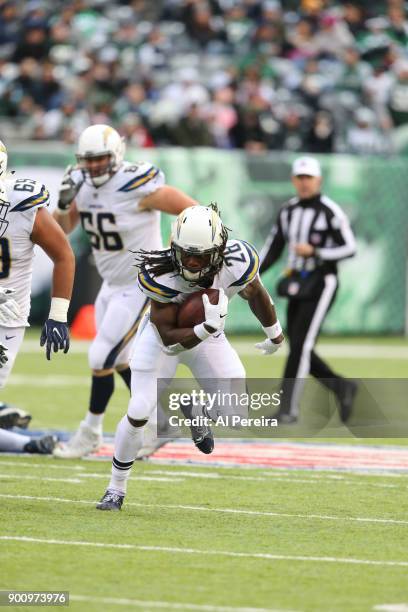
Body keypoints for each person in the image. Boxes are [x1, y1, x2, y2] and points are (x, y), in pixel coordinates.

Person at [96, 204, 284, 511]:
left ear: (219, 250)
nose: (193, 263)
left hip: (208, 338)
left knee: (236, 411)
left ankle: (199, 412)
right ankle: (115, 489)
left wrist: (274, 331)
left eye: (202, 256)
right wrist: (205, 326)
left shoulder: (237, 260)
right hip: (161, 340)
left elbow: (256, 292)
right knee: (140, 409)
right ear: (174, 246)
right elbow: (169, 337)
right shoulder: (159, 272)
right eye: (186, 254)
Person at [52, 124, 197, 459]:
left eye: (100, 159)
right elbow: (62, 230)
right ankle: (161, 420)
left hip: (139, 284)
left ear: (116, 154)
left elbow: (192, 210)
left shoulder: (135, 183)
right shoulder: (82, 185)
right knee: (118, 359)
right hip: (111, 284)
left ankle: (89, 432)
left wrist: (176, 249)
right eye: (87, 160)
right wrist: (63, 203)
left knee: (100, 356)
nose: (93, 167)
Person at [259, 156, 357, 424]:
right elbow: (273, 247)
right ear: (293, 180)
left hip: (322, 282)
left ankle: (287, 409)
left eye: (308, 178)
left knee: (301, 347)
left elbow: (349, 247)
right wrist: (251, 275)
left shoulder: (330, 211)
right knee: (299, 346)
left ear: (318, 180)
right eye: (299, 178)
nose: (304, 183)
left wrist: (316, 251)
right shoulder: (287, 211)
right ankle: (342, 387)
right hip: (295, 284)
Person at [0, 139, 75, 454]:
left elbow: (63, 255)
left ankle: (25, 443)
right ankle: (27, 444)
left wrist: (57, 315)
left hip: (6, 316)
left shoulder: (22, 204)